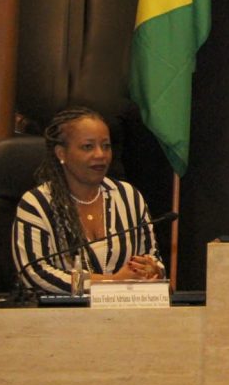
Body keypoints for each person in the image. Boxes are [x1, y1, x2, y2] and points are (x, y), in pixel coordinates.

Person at [13, 106, 165, 293]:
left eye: (106, 146)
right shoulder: (37, 204)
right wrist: (111, 283)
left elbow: (152, 257)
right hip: (61, 318)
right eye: (88, 147)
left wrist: (151, 270)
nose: (100, 155)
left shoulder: (128, 196)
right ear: (61, 153)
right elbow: (35, 274)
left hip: (125, 314)